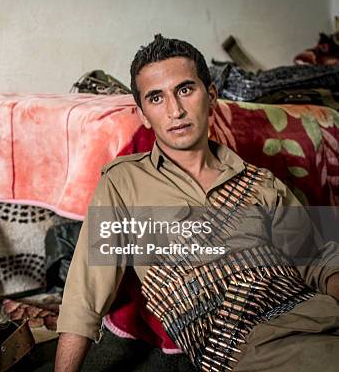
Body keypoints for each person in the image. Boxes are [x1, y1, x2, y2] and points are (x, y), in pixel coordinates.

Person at [54, 35, 339, 372]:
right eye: (156, 98)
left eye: (186, 90)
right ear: (144, 114)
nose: (175, 111)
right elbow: (83, 298)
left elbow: (317, 262)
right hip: (257, 349)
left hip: (320, 315)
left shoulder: (259, 183)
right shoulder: (123, 183)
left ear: (212, 96)